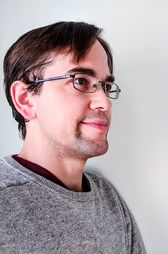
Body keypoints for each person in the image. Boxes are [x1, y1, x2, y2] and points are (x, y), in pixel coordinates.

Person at [0, 21, 146, 254]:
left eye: (106, 86)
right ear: (25, 99)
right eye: (80, 81)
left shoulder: (108, 198)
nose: (104, 102)